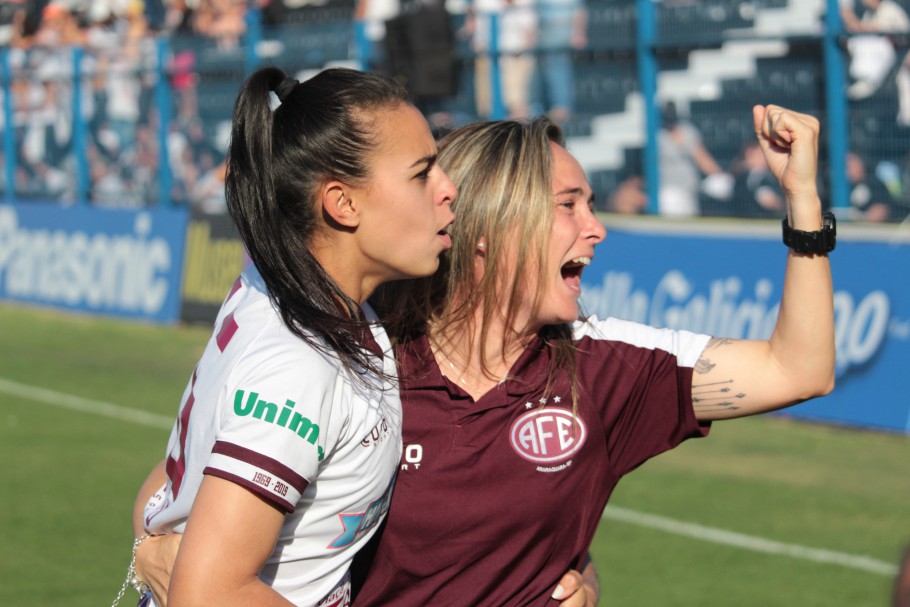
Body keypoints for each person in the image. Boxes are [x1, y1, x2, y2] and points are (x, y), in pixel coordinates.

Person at [134, 103, 833, 605]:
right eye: (569, 205)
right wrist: (158, 550)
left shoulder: (610, 367)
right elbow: (181, 484)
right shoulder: (361, 355)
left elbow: (798, 368)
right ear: (491, 226)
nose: (596, 229)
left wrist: (803, 201)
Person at [116, 65, 458, 607]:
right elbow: (207, 594)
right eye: (422, 174)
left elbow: (171, 483)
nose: (448, 190)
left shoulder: (279, 286)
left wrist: (151, 540)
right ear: (342, 203)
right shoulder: (298, 365)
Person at [658, 101, 725, 217]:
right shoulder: (657, 135)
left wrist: (720, 175)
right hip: (667, 192)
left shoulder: (687, 132)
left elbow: (702, 157)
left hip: (689, 191)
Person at [840, 0, 910, 99]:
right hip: (898, 56)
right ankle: (864, 80)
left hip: (903, 51)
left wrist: (848, 17)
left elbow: (865, 29)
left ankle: (868, 81)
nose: (864, 2)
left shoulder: (888, 9)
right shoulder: (870, 13)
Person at [730, 140, 785, 219]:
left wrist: (777, 203)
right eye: (755, 155)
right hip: (741, 218)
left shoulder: (774, 177)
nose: (761, 158)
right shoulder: (740, 176)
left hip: (768, 220)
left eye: (761, 155)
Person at [846, 151, 896, 221]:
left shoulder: (875, 184)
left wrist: (862, 218)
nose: (847, 170)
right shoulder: (837, 189)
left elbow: (880, 211)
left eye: (850, 165)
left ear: (861, 164)